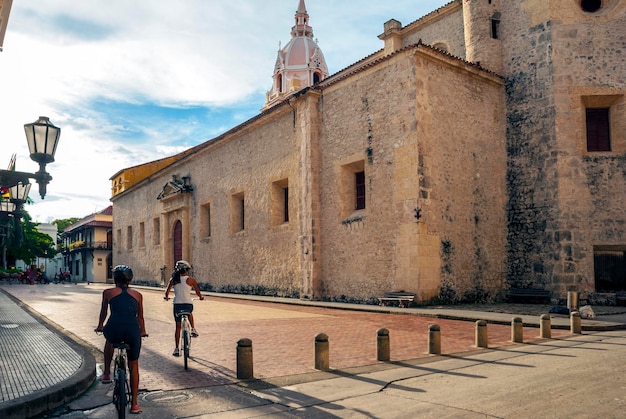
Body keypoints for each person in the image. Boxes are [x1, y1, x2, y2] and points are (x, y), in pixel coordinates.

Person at [95, 265, 147, 415]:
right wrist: (143, 331)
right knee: (134, 364)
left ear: (115, 279)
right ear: (130, 280)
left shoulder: (108, 292)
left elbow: (104, 312)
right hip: (132, 331)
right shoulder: (137, 295)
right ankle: (135, 404)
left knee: (109, 340)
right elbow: (140, 316)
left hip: (114, 328)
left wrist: (100, 326)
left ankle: (106, 373)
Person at [163, 260, 204, 357]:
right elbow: (198, 292)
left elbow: (166, 293)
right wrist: (201, 297)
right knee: (189, 313)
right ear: (187, 270)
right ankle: (193, 328)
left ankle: (177, 348)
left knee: (178, 327)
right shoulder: (191, 280)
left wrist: (167, 297)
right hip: (188, 304)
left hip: (177, 305)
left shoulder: (173, 280)